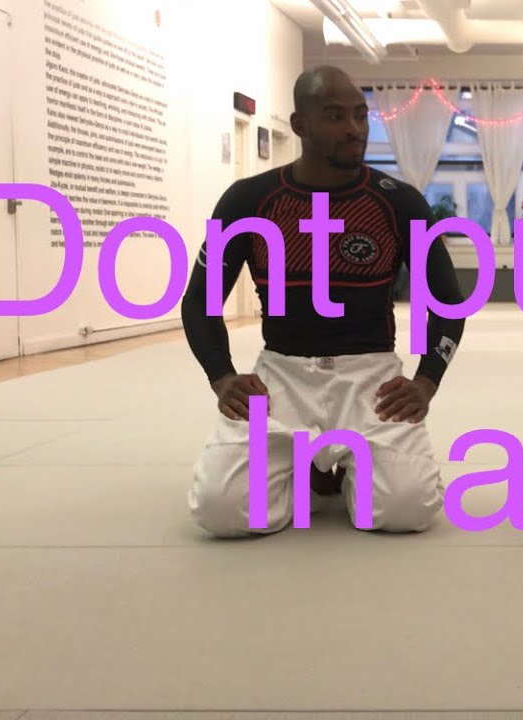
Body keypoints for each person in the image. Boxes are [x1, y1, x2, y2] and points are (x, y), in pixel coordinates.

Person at [181, 66, 466, 537]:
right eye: (335, 116)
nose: (354, 129)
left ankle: (350, 466)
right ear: (300, 124)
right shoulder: (249, 201)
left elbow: (448, 302)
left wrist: (426, 382)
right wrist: (222, 376)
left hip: (371, 379)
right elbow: (199, 302)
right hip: (281, 377)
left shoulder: (398, 203)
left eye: (360, 115)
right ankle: (303, 468)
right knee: (221, 511)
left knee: (406, 509)